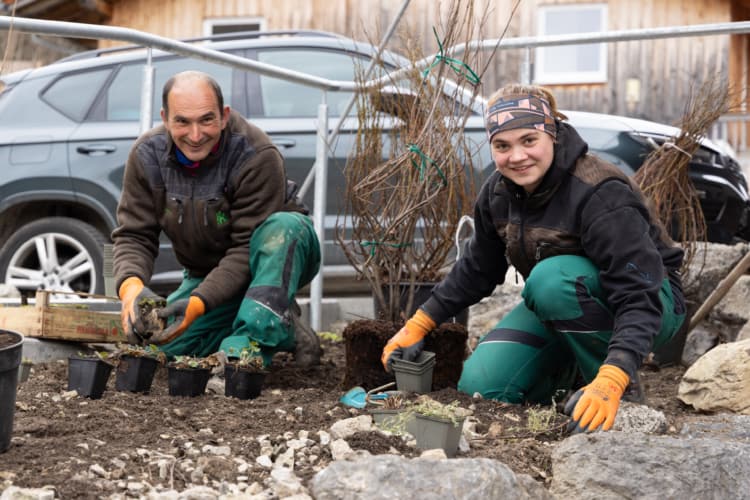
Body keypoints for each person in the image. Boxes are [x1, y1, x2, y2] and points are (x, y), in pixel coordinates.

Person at [381, 84, 686, 432]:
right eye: (502, 146)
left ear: (551, 133)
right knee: (482, 386)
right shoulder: (498, 193)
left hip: (652, 303)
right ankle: (569, 384)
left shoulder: (600, 192)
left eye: (529, 140)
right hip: (562, 303)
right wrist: (418, 323)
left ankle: (617, 390)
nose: (517, 156)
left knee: (550, 279)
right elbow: (477, 269)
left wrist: (615, 375)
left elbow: (637, 294)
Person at [113, 70, 321, 367]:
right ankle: (285, 327)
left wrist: (199, 303)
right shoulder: (147, 156)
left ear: (223, 116)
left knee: (283, 226)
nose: (195, 136)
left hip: (271, 260)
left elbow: (244, 249)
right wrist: (130, 287)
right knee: (166, 351)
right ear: (165, 117)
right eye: (182, 121)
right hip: (205, 274)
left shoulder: (255, 152)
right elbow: (133, 235)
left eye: (206, 120)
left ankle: (249, 347)